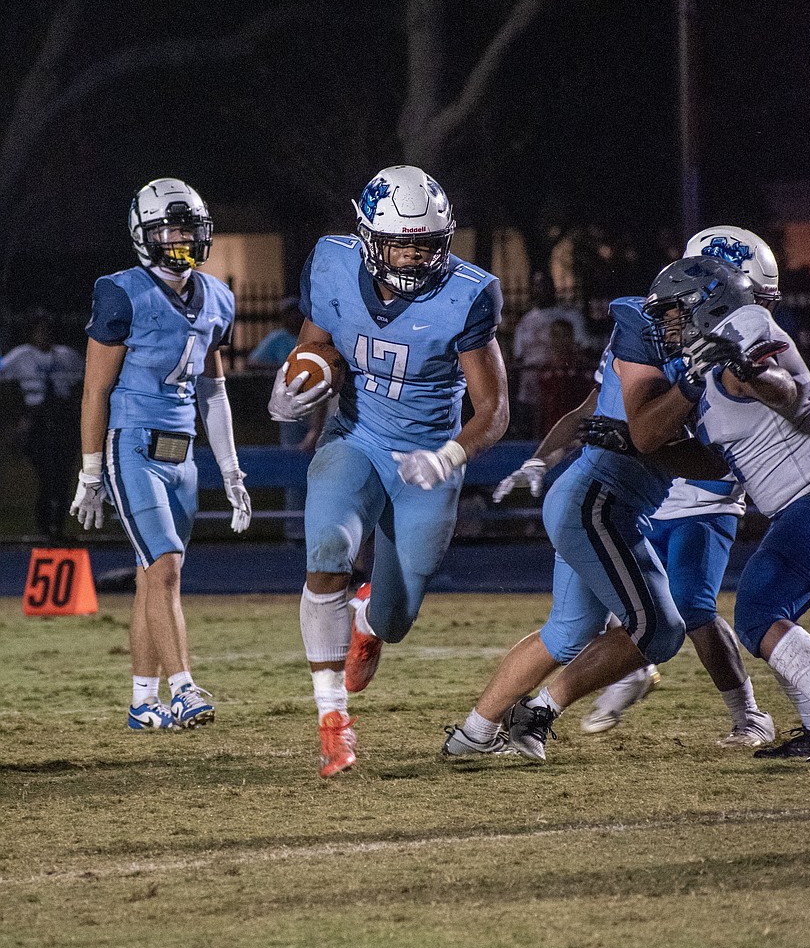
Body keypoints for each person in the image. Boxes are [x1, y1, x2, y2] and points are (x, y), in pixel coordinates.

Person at [445, 231, 776, 760]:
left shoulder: (713, 358)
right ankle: (535, 713)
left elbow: (659, 443)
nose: (665, 321)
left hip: (608, 504)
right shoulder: (652, 338)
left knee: (567, 631)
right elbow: (635, 431)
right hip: (598, 502)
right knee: (662, 629)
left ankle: (473, 735)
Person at [268, 164, 509, 778]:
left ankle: (368, 619)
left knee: (398, 617)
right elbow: (315, 346)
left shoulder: (468, 293)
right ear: (370, 236)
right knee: (326, 548)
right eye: (401, 242)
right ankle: (333, 721)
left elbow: (494, 410)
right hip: (357, 437)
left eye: (427, 244)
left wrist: (449, 455)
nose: (413, 256)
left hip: (428, 455)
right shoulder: (330, 263)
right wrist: (296, 387)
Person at [622, 254, 810, 761]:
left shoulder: (744, 324)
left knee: (758, 612)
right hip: (808, 504)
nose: (666, 324)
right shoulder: (700, 366)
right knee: (772, 615)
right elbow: (706, 457)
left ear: (705, 302)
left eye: (673, 312)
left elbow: (785, 393)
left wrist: (744, 367)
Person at [71, 177, 251, 732]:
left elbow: (213, 390)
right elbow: (95, 390)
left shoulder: (218, 295)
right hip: (133, 447)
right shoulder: (120, 291)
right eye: (169, 229)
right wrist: (92, 471)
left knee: (157, 577)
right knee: (166, 566)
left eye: (188, 229)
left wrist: (231, 470)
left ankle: (143, 703)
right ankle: (184, 688)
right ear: (143, 234)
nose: (180, 240)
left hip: (184, 455)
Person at [1, 312, 84, 539]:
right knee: (48, 474)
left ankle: (58, 526)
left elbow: (83, 380)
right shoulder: (21, 355)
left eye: (47, 330)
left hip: (62, 418)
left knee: (64, 475)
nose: (43, 335)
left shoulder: (66, 355)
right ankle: (44, 525)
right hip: (37, 418)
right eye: (38, 331)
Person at [247, 298, 321, 540]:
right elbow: (253, 362)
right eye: (288, 314)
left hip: (317, 402)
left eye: (296, 314)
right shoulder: (278, 338)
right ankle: (294, 529)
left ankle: (316, 527)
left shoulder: (316, 335)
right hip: (289, 406)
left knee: (322, 465)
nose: (292, 319)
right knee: (293, 461)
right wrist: (283, 371)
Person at [511, 271, 590, 438]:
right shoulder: (525, 321)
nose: (541, 290)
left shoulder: (569, 316)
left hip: (563, 382)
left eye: (545, 285)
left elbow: (583, 348)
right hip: (532, 389)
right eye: (536, 286)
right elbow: (518, 356)